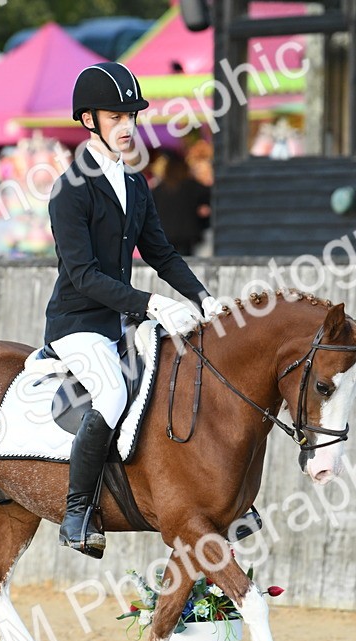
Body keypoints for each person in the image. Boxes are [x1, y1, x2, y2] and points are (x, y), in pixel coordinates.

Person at [46, 62, 225, 559]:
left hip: (122, 322)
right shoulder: (69, 190)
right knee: (109, 395)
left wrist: (204, 300)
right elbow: (82, 276)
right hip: (78, 325)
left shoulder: (136, 184)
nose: (127, 126)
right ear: (89, 120)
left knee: (185, 374)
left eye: (131, 115)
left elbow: (162, 254)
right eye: (115, 116)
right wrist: (151, 303)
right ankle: (77, 512)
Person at [151, 150, 211, 256]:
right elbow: (210, 198)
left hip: (164, 236)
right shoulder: (192, 187)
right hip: (188, 238)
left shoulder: (158, 190)